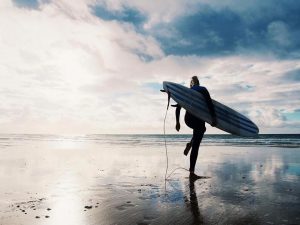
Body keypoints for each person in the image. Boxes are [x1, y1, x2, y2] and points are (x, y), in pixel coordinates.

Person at [175, 76, 217, 180]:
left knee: (199, 131)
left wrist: (177, 122)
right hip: (199, 119)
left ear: (191, 84)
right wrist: (213, 118)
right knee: (198, 141)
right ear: (198, 82)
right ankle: (192, 173)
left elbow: (178, 107)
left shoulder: (187, 92)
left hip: (188, 119)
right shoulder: (203, 89)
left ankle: (191, 143)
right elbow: (209, 104)